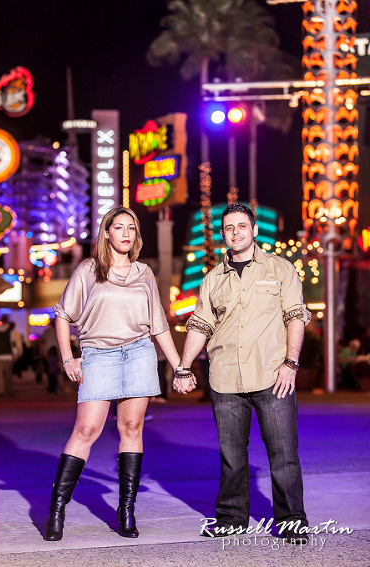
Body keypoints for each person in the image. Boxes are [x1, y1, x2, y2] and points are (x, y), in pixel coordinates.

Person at [43, 206, 194, 541]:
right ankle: (56, 508)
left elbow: (159, 326)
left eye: (131, 228)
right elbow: (63, 314)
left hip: (139, 354)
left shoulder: (144, 273)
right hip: (98, 355)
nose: (126, 233)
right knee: (86, 429)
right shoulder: (89, 269)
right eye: (119, 227)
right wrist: (69, 358)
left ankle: (126, 510)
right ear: (107, 232)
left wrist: (180, 367)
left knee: (131, 427)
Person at [176, 203, 311, 542]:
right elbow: (201, 324)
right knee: (231, 456)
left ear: (253, 229)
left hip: (272, 377)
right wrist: (183, 365)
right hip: (225, 379)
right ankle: (232, 518)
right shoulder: (212, 279)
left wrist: (291, 364)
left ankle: (292, 521)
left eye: (241, 225)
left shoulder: (280, 269)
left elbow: (295, 316)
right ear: (223, 234)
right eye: (229, 227)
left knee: (283, 456)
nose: (235, 231)